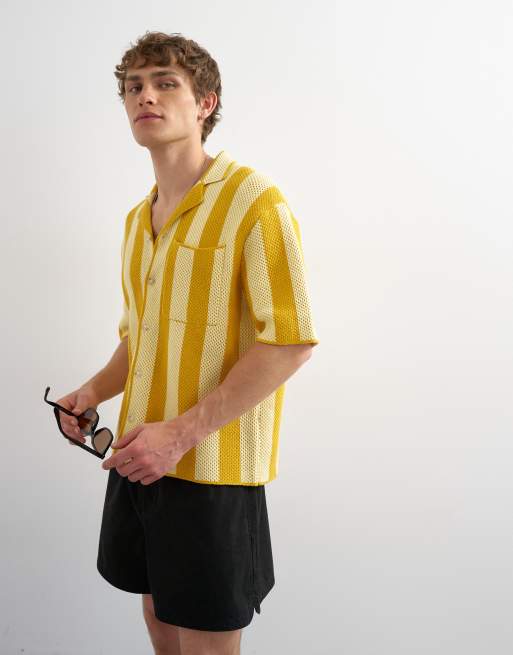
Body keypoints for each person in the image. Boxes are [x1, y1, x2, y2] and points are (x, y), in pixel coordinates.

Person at [55, 30, 320, 655]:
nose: (145, 96)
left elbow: (290, 342)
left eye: (165, 83)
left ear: (205, 102)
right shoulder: (136, 220)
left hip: (211, 468)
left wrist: (178, 435)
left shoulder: (256, 202)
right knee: (158, 623)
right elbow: (140, 337)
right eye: (133, 87)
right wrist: (91, 392)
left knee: (205, 642)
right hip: (139, 459)